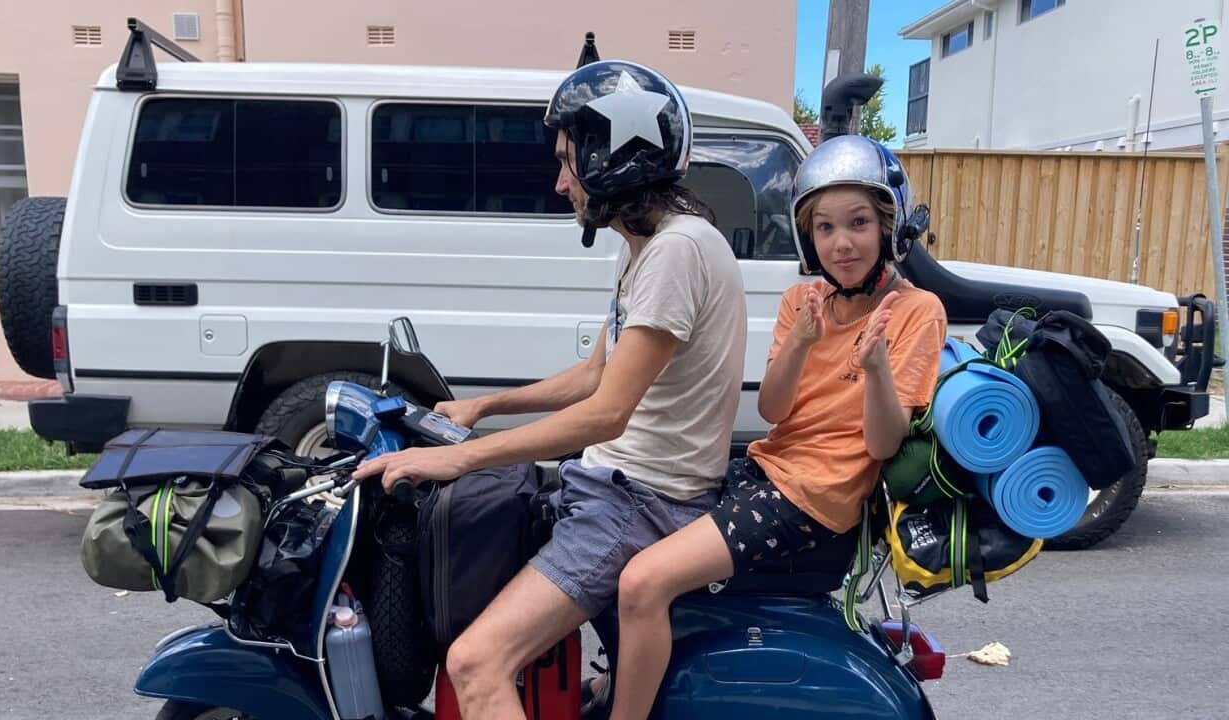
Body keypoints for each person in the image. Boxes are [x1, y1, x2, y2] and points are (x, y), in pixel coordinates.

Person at [353, 60, 747, 720]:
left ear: (610, 158)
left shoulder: (677, 253)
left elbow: (607, 413)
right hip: (617, 486)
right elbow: (596, 374)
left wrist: (458, 456)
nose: (559, 181)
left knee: (476, 664)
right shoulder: (649, 248)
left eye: (569, 161)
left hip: (636, 504)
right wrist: (484, 406)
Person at [606, 135, 948, 720]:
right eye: (825, 228)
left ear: (890, 226)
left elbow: (883, 444)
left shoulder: (918, 311)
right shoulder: (803, 300)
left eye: (859, 223)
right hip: (766, 475)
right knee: (611, 536)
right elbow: (773, 410)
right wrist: (802, 341)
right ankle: (623, 688)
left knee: (642, 584)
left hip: (814, 502)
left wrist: (875, 370)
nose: (842, 243)